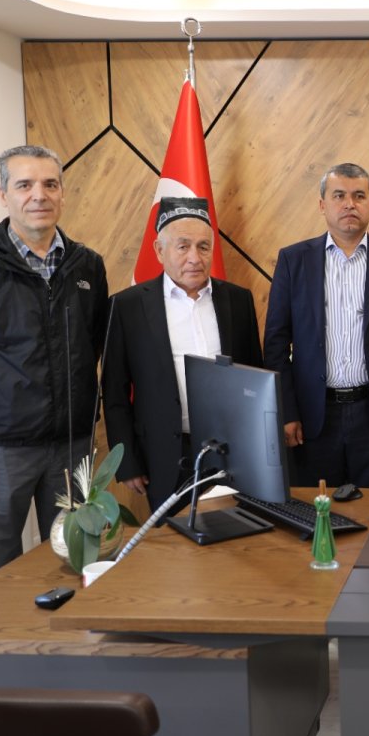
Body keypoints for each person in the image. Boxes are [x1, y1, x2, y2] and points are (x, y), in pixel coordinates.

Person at [0, 145, 109, 583]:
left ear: (62, 192)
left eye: (50, 184)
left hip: (71, 447)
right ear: (3, 194)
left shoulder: (88, 266)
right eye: (24, 185)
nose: (38, 195)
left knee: (75, 560)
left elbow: (93, 344)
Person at [263, 162, 369, 487]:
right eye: (339, 196)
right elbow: (276, 344)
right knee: (317, 509)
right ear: (322, 205)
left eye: (359, 196)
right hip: (313, 416)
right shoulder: (294, 261)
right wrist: (286, 412)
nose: (349, 204)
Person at [102, 198, 263, 511]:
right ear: (159, 251)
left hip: (233, 453)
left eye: (203, 247)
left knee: (236, 533)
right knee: (172, 538)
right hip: (164, 455)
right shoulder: (127, 307)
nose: (195, 258)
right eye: (183, 246)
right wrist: (127, 461)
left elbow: (254, 379)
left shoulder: (238, 300)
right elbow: (115, 393)